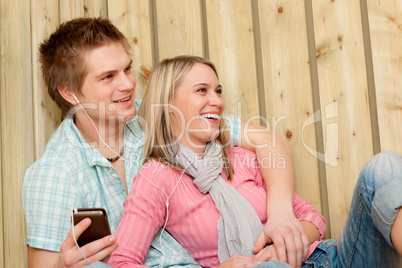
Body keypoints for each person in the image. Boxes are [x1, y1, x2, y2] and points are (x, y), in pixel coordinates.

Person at [22, 17, 307, 267]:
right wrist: (63, 264)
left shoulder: (159, 117)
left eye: (127, 69)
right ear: (69, 92)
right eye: (108, 77)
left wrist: (281, 214)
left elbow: (268, 141)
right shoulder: (54, 173)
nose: (127, 84)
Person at [108, 55, 402, 268]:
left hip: (329, 259)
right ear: (168, 104)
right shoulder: (157, 178)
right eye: (202, 90)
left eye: (218, 91)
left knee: (383, 167)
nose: (217, 101)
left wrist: (280, 242)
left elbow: (313, 219)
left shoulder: (240, 156)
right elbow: (123, 261)